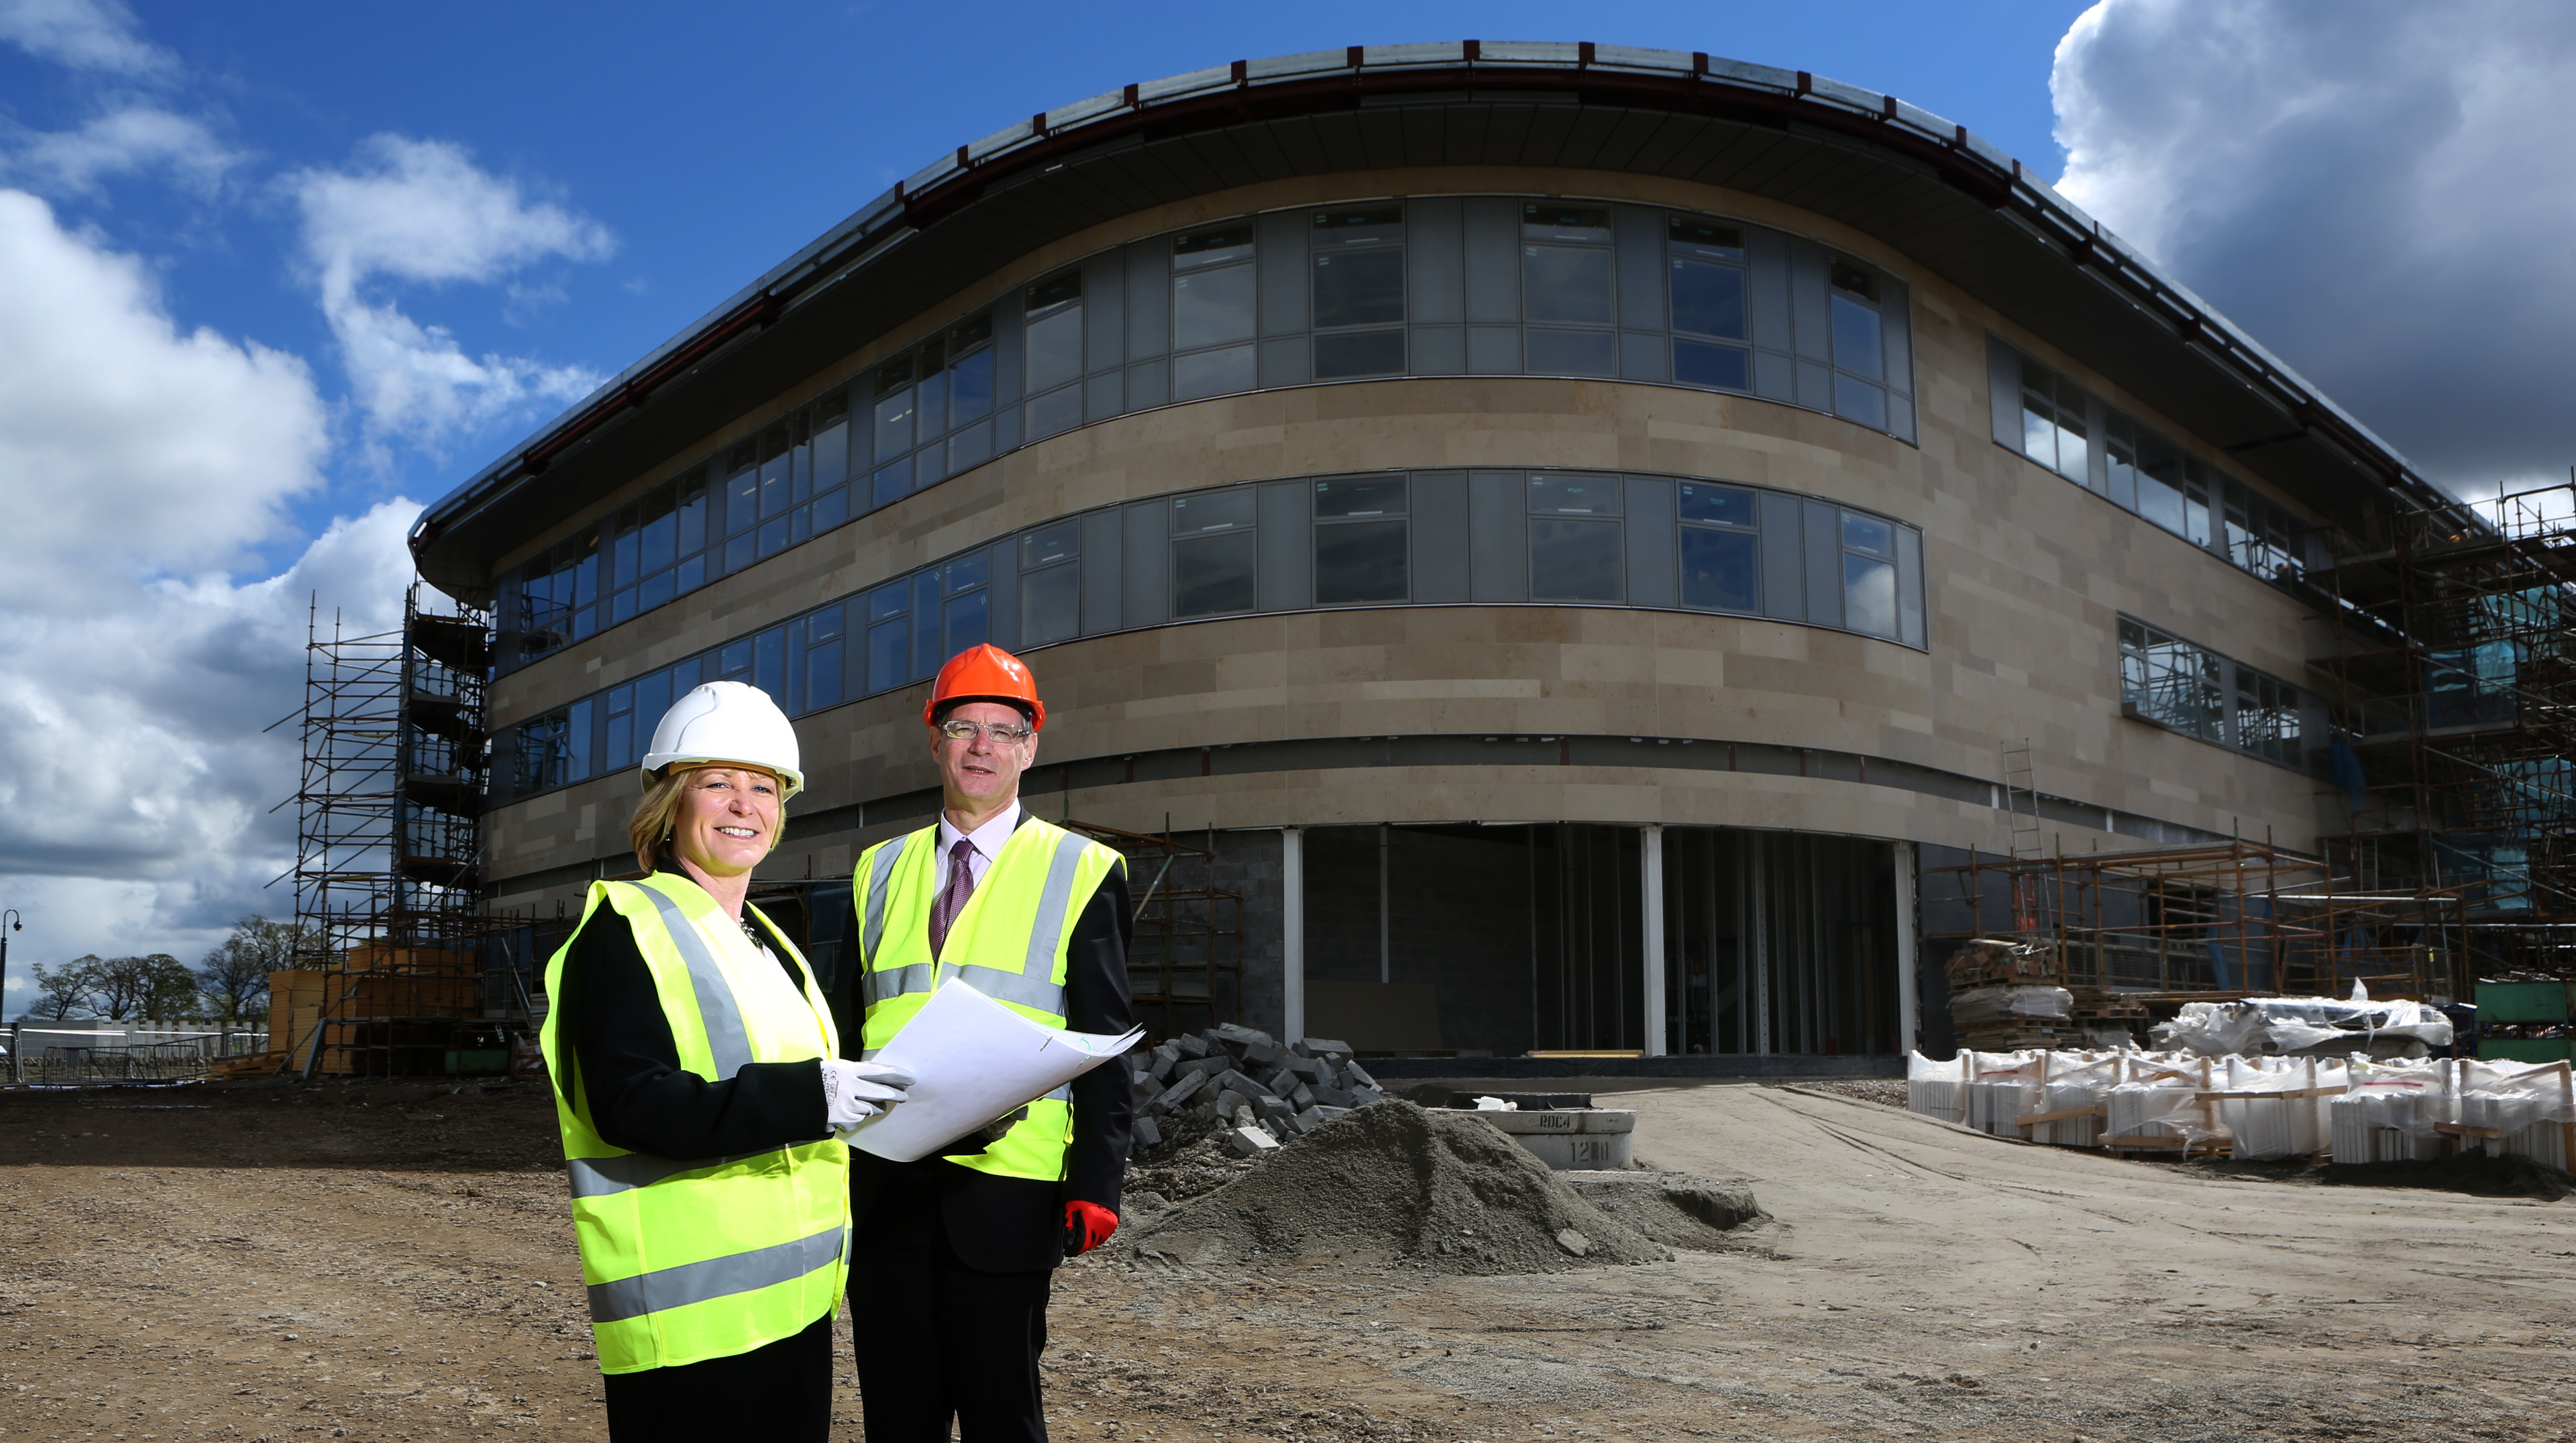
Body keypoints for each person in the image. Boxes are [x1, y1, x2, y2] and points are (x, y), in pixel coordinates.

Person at [539, 680, 914, 1442]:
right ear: (670, 804)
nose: (744, 803)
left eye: (763, 787)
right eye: (717, 784)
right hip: (691, 1330)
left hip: (793, 1305)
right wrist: (813, 1097)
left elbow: (811, 1098)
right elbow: (630, 1103)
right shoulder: (623, 929)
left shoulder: (770, 943)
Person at [837, 643, 1135, 1443]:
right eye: (963, 727)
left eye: (1003, 731)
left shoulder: (1081, 868)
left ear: (1030, 748)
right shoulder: (875, 870)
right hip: (886, 1183)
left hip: (1007, 1191)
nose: (982, 747)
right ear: (934, 740)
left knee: (1003, 1415)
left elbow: (1108, 1041)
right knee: (897, 1417)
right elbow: (842, 1028)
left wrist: (1097, 1181)